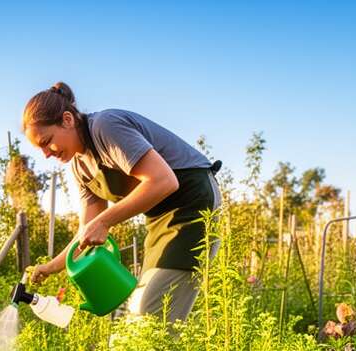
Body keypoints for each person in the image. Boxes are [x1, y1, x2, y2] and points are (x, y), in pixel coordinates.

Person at [24, 82, 221, 323]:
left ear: (67, 120)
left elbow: (164, 180)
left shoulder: (106, 127)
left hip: (192, 205)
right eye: (40, 148)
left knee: (149, 315)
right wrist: (52, 267)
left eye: (47, 141)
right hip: (159, 220)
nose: (46, 154)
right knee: (142, 311)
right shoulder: (80, 166)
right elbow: (87, 229)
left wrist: (105, 221)